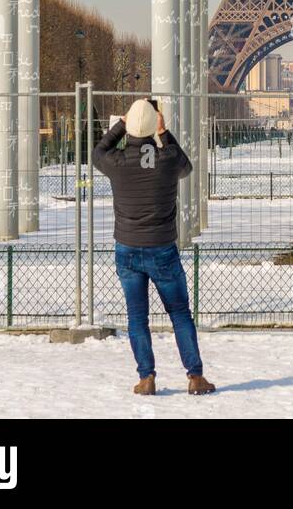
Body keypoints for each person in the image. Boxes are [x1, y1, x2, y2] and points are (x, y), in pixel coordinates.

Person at [93, 97, 215, 396]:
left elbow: (98, 152)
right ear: (155, 125)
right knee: (180, 314)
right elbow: (185, 165)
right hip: (162, 248)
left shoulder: (117, 162)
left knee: (137, 318)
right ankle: (195, 376)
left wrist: (122, 124)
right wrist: (163, 133)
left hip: (128, 248)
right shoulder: (167, 160)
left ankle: (146, 377)